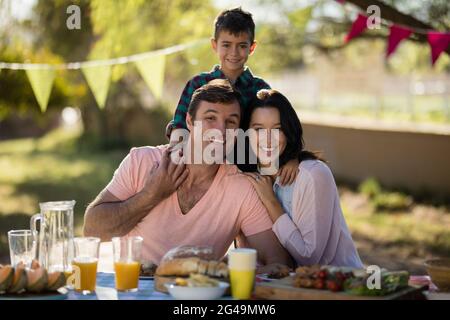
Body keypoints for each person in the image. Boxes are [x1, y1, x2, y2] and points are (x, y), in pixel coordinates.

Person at [83, 80, 293, 268]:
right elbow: (92, 230)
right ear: (190, 122)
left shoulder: (241, 188)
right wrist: (151, 194)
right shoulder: (142, 161)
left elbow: (278, 261)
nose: (220, 130)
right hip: (133, 289)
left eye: (231, 122)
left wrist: (238, 268)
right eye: (210, 118)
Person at [167, 7, 298, 184]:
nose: (234, 53)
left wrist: (292, 158)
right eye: (226, 45)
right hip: (202, 172)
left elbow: (277, 131)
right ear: (215, 45)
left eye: (242, 46)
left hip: (247, 175)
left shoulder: (260, 89)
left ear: (252, 47)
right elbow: (180, 129)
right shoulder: (197, 84)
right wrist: (176, 161)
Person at [243, 89, 364, 268]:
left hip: (336, 287)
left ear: (289, 131)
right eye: (258, 129)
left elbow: (309, 258)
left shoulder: (312, 175)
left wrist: (270, 200)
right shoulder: (249, 178)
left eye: (277, 129)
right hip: (276, 286)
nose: (268, 140)